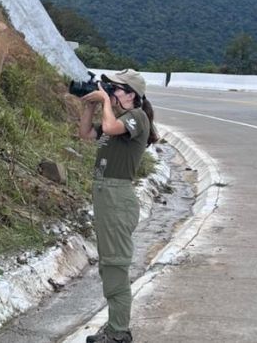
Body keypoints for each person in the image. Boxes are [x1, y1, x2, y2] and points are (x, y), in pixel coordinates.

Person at [77, 69, 157, 343]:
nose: (111, 92)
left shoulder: (137, 118)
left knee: (115, 265)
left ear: (131, 94)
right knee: (108, 266)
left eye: (116, 88)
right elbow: (86, 133)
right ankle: (114, 326)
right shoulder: (120, 117)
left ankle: (119, 332)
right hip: (105, 196)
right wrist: (90, 105)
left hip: (117, 196)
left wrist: (105, 101)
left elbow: (110, 128)